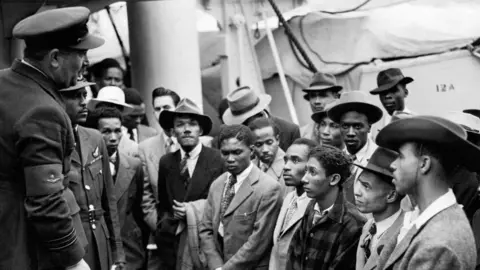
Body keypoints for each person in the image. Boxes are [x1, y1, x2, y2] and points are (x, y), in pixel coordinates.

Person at [0, 6, 103, 270]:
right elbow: (46, 201)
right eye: (81, 54)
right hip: (27, 250)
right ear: (55, 57)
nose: (85, 63)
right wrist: (74, 261)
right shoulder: (43, 111)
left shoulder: (5, 83)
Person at [375, 116, 478, 270]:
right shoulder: (420, 217)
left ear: (424, 164)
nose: (392, 165)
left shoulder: (438, 244)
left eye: (400, 157)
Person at [59, 82, 126, 270]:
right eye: (75, 96)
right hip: (72, 242)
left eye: (84, 95)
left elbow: (109, 201)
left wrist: (117, 252)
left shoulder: (95, 138)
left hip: (100, 239)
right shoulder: (52, 140)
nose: (83, 102)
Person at [199, 124, 283, 269]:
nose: (230, 158)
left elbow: (258, 242)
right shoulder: (218, 184)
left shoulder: (268, 188)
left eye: (237, 152)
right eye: (225, 153)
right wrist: (216, 265)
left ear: (251, 151)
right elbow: (206, 230)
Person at [156, 98, 225, 269]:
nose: (186, 130)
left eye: (192, 124)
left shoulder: (217, 159)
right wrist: (166, 227)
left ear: (200, 130)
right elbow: (163, 205)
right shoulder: (166, 162)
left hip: (208, 244)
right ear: (173, 131)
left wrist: (192, 210)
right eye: (180, 125)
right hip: (174, 244)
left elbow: (224, 203)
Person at [287, 145, 366, 270]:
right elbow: (294, 256)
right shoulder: (312, 206)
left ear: (334, 179)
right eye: (306, 170)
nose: (304, 179)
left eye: (312, 172)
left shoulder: (354, 224)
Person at [89, 107, 149, 269]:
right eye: (106, 132)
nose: (113, 138)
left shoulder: (134, 165)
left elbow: (139, 210)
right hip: (98, 245)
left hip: (129, 247)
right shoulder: (86, 167)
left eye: (117, 131)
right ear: (95, 133)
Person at [269, 138, 317, 270]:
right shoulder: (289, 197)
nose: (286, 167)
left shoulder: (317, 206)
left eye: (295, 160)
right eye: (286, 160)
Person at [353, 147, 404, 270]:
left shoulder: (403, 235)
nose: (357, 192)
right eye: (359, 183)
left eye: (366, 187)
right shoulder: (369, 226)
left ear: (391, 195)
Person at [328, 91, 383, 203]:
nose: (351, 132)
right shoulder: (334, 160)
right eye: (345, 126)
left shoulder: (381, 158)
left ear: (369, 127)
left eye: (357, 126)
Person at [222, 86, 300, 151]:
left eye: (245, 121)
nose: (244, 126)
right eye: (241, 122)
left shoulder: (290, 131)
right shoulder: (233, 137)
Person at [87, 86, 139, 158]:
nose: (110, 112)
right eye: (105, 107)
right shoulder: (84, 147)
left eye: (115, 108)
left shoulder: (133, 149)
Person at [249, 117, 290, 195]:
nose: (265, 150)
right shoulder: (248, 169)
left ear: (277, 140)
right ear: (252, 145)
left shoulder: (289, 169)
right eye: (258, 144)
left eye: (269, 142)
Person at [369, 68, 414, 138]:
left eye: (393, 91)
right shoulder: (374, 128)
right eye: (383, 93)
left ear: (405, 92)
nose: (387, 96)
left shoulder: (418, 121)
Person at [301, 73, 342, 143]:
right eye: (313, 96)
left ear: (336, 97)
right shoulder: (301, 133)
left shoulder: (347, 131)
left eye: (323, 95)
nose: (317, 101)